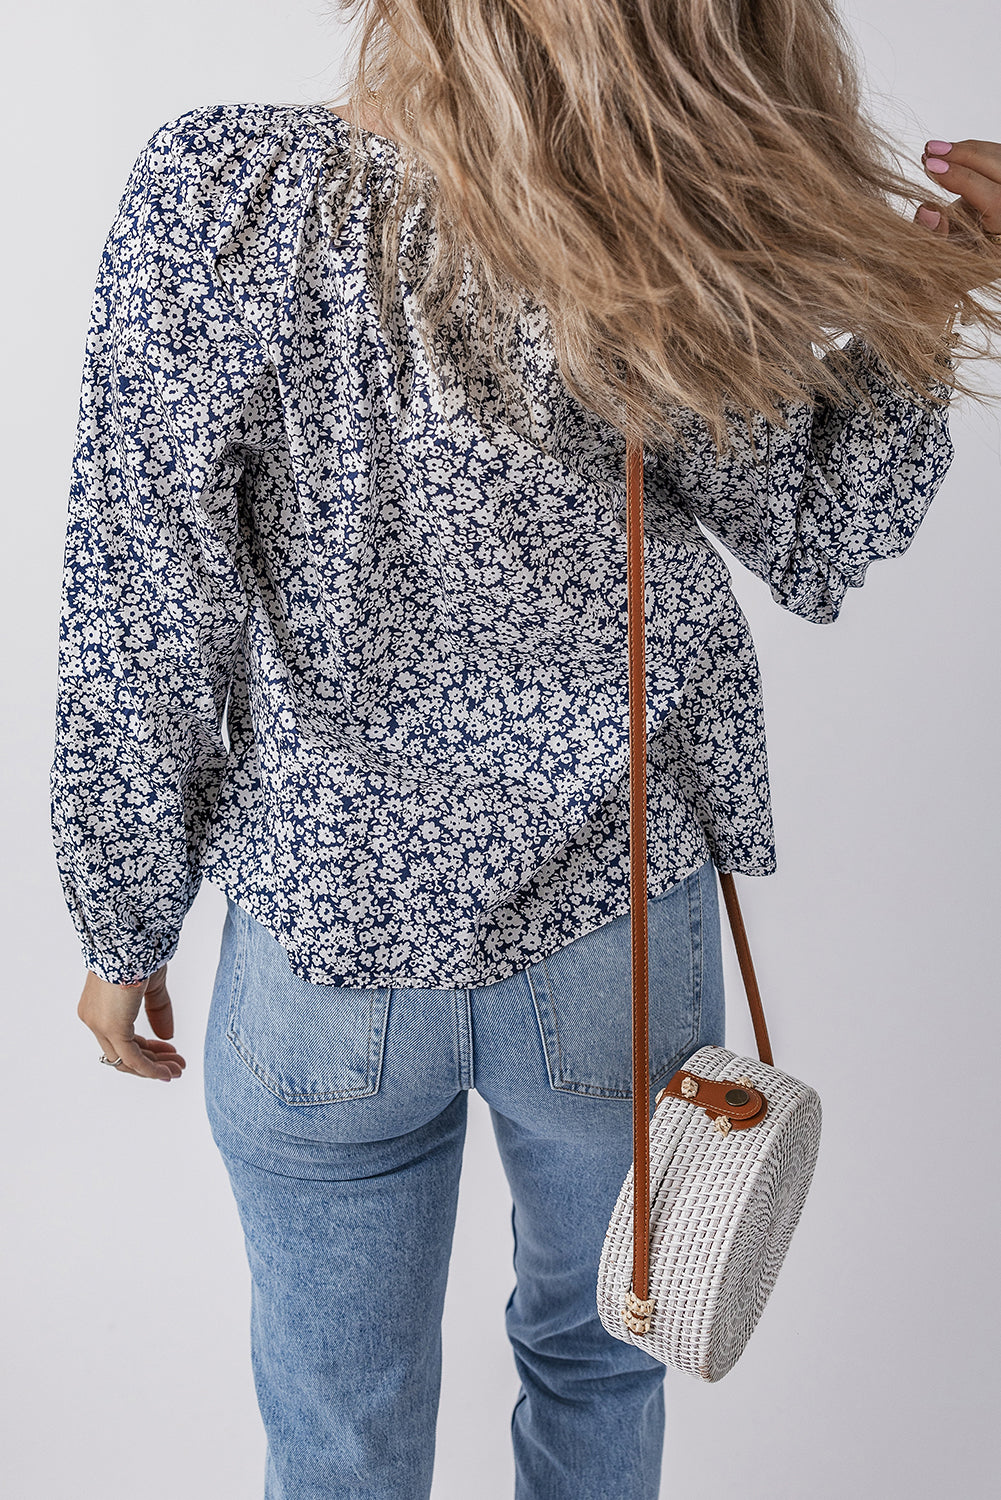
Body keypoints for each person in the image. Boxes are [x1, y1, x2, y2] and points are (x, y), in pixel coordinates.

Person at [54, 2, 1001, 1497]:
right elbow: (820, 534)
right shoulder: (645, 229)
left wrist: (122, 925)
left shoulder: (218, 198)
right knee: (601, 1362)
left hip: (324, 937)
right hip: (609, 934)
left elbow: (141, 601)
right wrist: (943, 282)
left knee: (337, 1423)